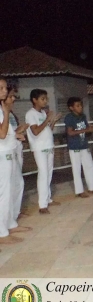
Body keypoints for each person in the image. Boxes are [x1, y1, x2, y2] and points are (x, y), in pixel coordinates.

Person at [0, 78, 31, 244]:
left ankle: (10, 223)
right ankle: (2, 232)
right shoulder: (3, 110)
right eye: (2, 88)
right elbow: (2, 134)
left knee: (12, 189)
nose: (5, 91)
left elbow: (8, 133)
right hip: (1, 155)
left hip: (9, 152)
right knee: (4, 194)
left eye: (5, 88)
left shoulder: (1, 108)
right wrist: (5, 113)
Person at [25, 89, 62, 214]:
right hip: (39, 148)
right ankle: (42, 205)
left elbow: (47, 130)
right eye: (42, 99)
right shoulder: (31, 114)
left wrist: (53, 121)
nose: (45, 101)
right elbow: (35, 131)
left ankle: (48, 199)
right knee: (43, 174)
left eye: (46, 99)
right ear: (34, 100)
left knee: (49, 173)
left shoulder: (43, 113)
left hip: (48, 146)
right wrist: (47, 120)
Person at [64, 97, 93, 197]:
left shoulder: (83, 117)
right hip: (74, 147)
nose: (80, 107)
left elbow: (86, 131)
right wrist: (86, 130)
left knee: (89, 166)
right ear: (71, 108)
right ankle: (79, 191)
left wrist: (90, 130)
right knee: (76, 169)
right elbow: (70, 132)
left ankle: (91, 188)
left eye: (81, 105)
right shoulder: (69, 117)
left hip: (84, 145)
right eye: (77, 106)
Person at [5, 87, 30, 221]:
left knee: (18, 183)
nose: (13, 99)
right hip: (7, 151)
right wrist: (16, 134)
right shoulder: (4, 114)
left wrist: (20, 130)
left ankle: (15, 212)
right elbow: (5, 134)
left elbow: (12, 131)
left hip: (15, 148)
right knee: (10, 185)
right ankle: (10, 218)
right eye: (11, 97)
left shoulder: (11, 114)